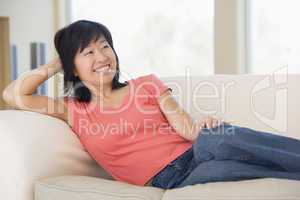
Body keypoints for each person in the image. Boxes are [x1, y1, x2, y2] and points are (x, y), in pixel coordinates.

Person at [2, 20, 300, 189]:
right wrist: (57, 62)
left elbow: (183, 126)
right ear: (72, 66)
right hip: (173, 179)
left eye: (105, 46)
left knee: (218, 140)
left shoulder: (146, 84)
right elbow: (13, 96)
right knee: (235, 169)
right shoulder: (72, 109)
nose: (102, 56)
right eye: (88, 52)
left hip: (194, 151)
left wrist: (201, 128)